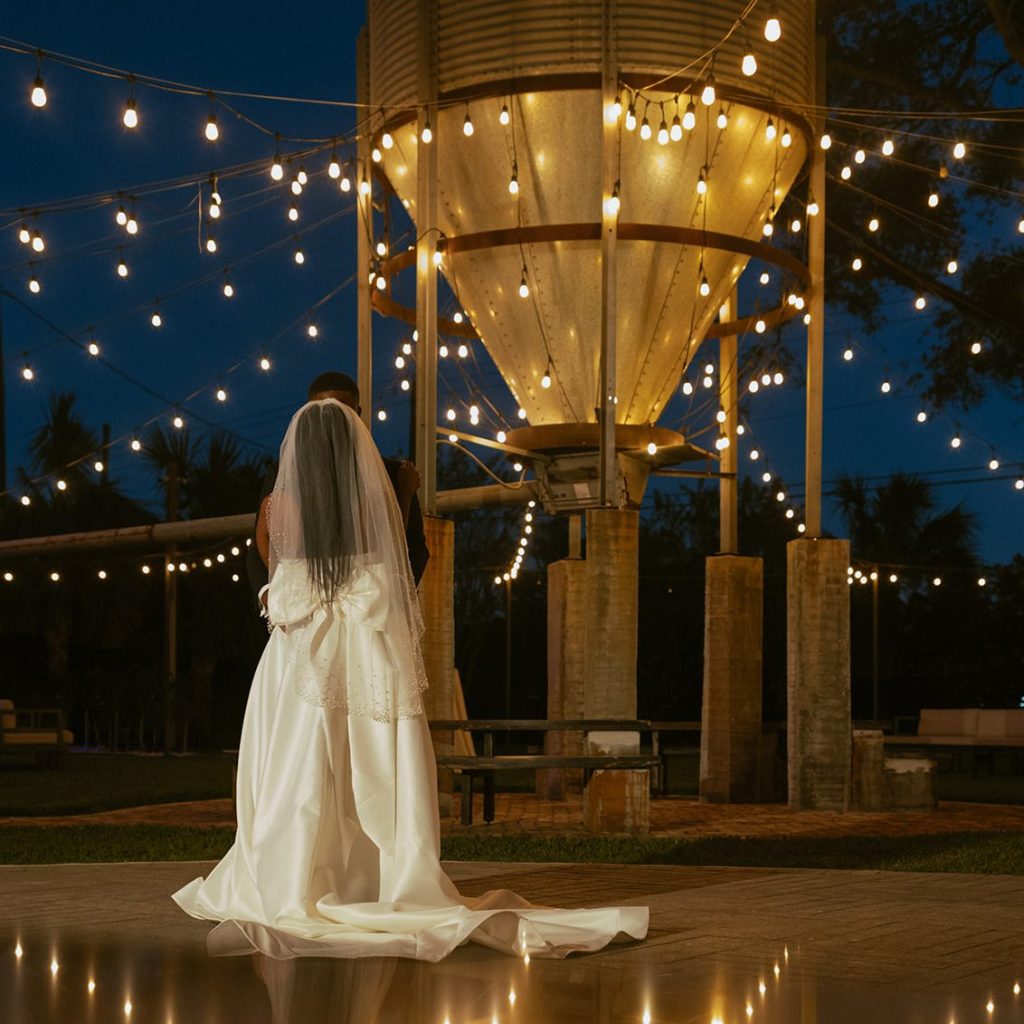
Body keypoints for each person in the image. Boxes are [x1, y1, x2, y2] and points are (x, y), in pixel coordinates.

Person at [172, 398, 648, 961]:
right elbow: (400, 562)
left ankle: (293, 875)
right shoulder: (373, 503)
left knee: (296, 774)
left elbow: (275, 576)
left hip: (297, 662)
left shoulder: (280, 510)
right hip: (365, 653)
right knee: (374, 769)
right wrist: (399, 495)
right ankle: (379, 877)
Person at [246, 371, 428, 617]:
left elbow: (414, 547)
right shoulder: (284, 473)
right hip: (306, 616)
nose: (330, 420)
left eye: (340, 411)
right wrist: (274, 598)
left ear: (357, 413)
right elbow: (258, 552)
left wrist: (394, 600)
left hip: (371, 613)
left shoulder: (392, 474)